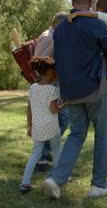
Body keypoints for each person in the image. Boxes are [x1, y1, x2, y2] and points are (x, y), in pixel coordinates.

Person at [43, 0, 107, 199]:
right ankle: (98, 185)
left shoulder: (59, 30)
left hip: (71, 91)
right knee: (102, 137)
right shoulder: (96, 24)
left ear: (72, 2)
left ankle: (56, 178)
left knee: (76, 134)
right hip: (96, 88)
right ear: (90, 3)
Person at [67, 0, 107, 110]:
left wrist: (77, 14)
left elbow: (92, 15)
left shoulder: (106, 17)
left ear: (99, 8)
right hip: (106, 48)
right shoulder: (106, 18)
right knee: (105, 72)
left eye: (96, 8)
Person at [19, 56, 66, 193]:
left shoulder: (32, 88)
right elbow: (54, 110)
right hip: (51, 126)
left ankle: (25, 183)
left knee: (35, 154)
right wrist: (65, 104)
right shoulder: (52, 90)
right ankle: (58, 178)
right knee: (57, 149)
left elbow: (29, 109)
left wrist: (29, 126)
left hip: (37, 126)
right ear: (50, 71)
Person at [33, 12, 70, 172]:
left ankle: (45, 152)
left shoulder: (51, 35)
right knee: (62, 118)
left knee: (56, 119)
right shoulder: (49, 37)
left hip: (51, 82)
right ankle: (40, 157)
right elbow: (40, 62)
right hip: (50, 84)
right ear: (56, 23)